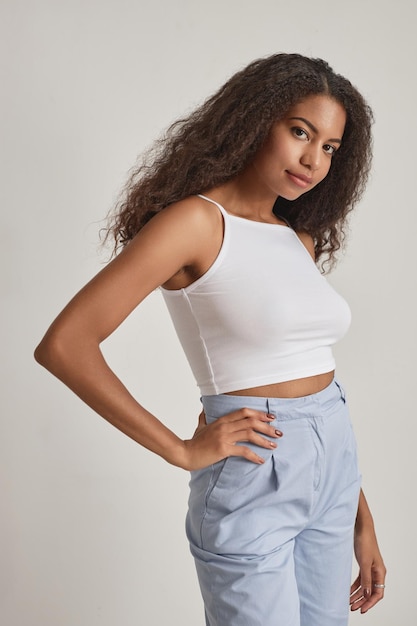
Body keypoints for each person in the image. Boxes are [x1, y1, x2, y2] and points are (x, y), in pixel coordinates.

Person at [35, 53, 386, 626]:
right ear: (256, 119)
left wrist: (359, 517)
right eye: (300, 131)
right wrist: (181, 450)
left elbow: (315, 377)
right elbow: (66, 343)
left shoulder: (298, 240)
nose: (313, 159)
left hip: (335, 468)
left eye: (329, 147)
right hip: (254, 465)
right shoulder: (195, 223)